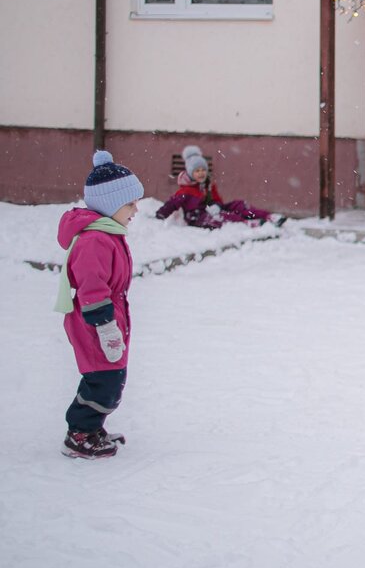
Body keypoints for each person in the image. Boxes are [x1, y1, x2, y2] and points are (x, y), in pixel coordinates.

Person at [54, 151, 144, 459]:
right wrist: (106, 328)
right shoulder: (96, 241)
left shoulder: (108, 235)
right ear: (110, 204)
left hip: (109, 315)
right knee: (104, 378)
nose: (136, 209)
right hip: (96, 320)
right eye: (130, 203)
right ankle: (79, 433)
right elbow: (93, 290)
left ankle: (92, 429)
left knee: (109, 375)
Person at [155, 145, 281, 229]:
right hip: (198, 217)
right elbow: (172, 204)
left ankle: (266, 216)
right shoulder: (185, 190)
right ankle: (246, 223)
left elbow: (217, 200)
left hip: (212, 210)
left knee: (238, 205)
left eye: (203, 170)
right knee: (222, 218)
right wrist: (160, 215)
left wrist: (216, 206)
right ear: (190, 173)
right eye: (197, 171)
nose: (201, 173)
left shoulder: (208, 185)